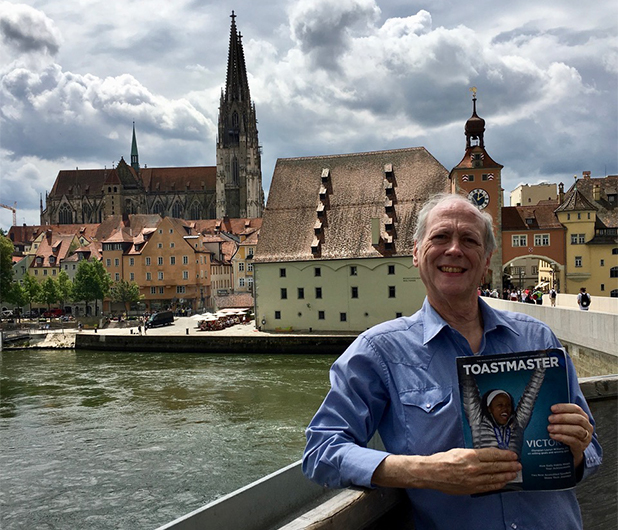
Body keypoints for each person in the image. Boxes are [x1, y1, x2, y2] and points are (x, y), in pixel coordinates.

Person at [303, 193, 601, 530]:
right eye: (440, 237)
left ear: (487, 259)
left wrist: (575, 450)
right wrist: (424, 471)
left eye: (469, 240)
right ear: (416, 253)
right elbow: (321, 451)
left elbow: (592, 453)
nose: (454, 250)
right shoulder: (379, 352)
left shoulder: (537, 339)